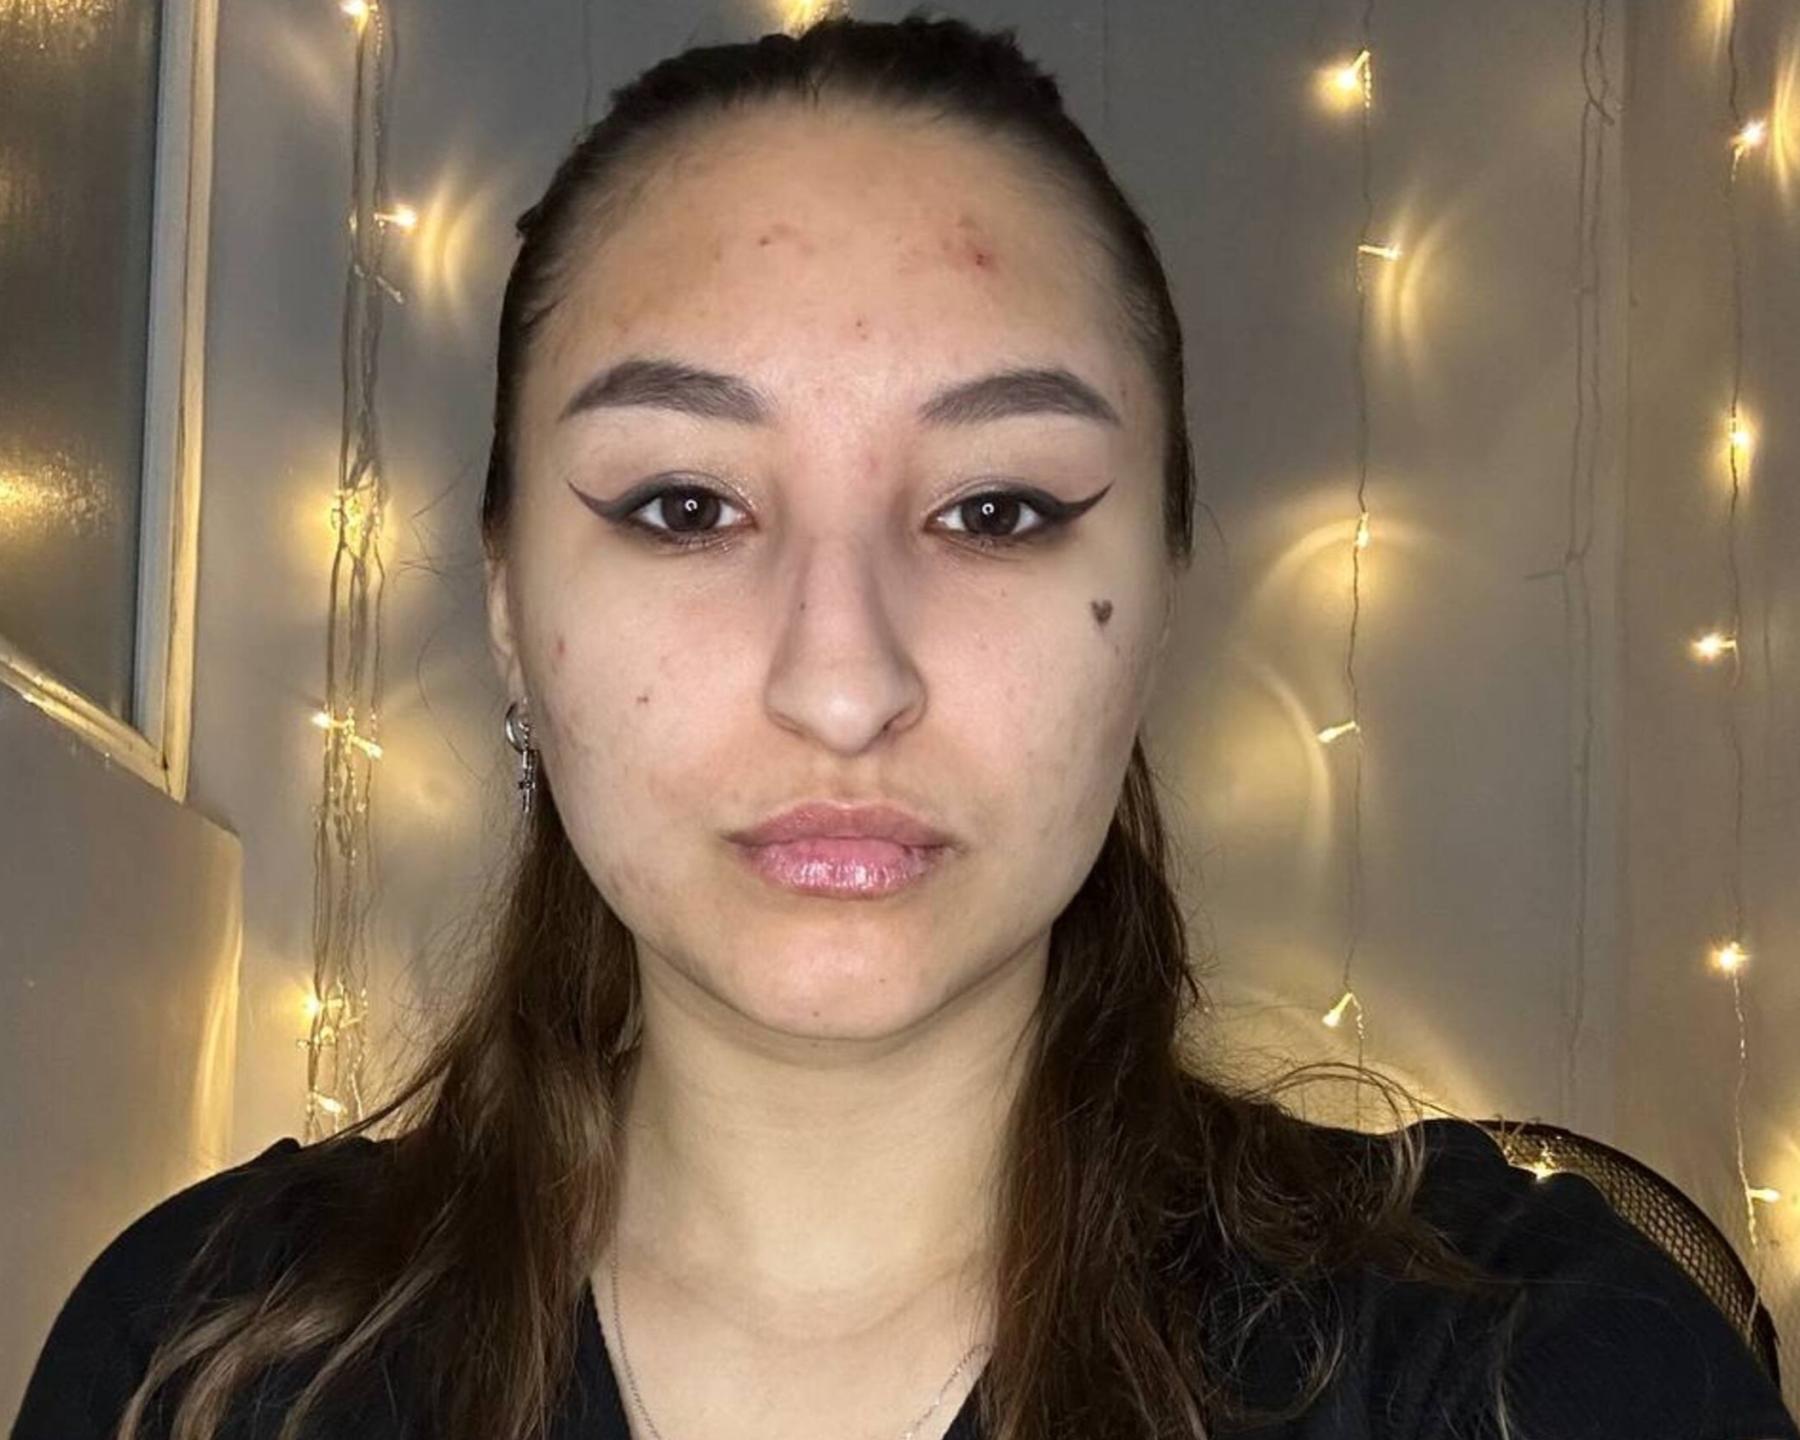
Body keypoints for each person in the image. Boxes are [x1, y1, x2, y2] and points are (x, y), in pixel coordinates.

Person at [13, 11, 1799, 1440]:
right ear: (507, 605)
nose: (844, 682)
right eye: (686, 506)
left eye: (997, 511)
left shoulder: (1535, 1368)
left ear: (1156, 597)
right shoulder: (201, 1359)